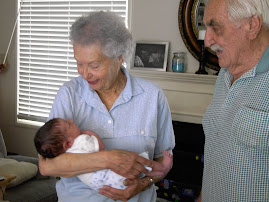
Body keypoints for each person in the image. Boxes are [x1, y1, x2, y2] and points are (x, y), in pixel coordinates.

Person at [38, 11, 175, 202]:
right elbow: (46, 166)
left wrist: (142, 184)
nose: (85, 75)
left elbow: (163, 159)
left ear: (119, 58)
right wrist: (108, 159)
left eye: (94, 65)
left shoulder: (153, 96)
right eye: (79, 64)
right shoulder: (69, 94)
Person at [199, 0, 269, 201]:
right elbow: (217, 153)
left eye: (216, 28)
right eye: (206, 27)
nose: (207, 40)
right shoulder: (224, 74)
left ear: (252, 25)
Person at [34, 118, 173, 191]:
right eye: (68, 124)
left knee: (135, 171)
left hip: (102, 186)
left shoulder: (63, 152)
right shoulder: (82, 141)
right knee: (136, 161)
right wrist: (92, 134)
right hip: (112, 176)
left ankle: (153, 174)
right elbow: (102, 148)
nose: (70, 120)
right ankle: (160, 168)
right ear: (68, 144)